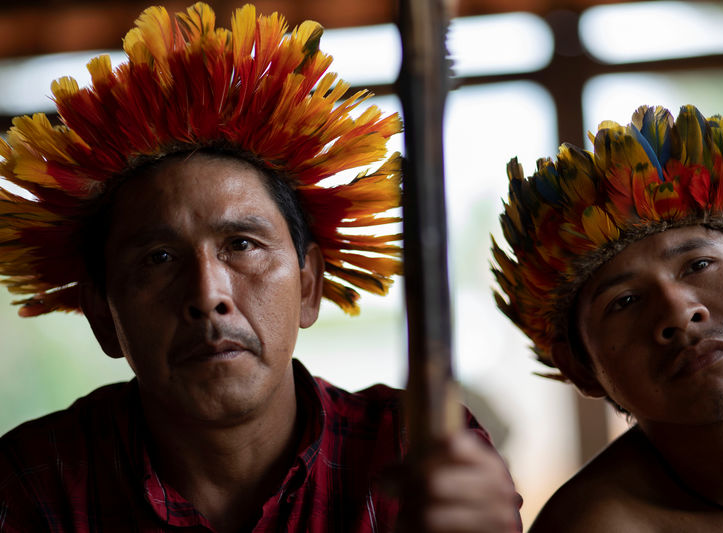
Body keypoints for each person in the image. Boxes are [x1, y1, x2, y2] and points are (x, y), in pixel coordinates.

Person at [0, 3, 521, 532]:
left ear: (308, 285)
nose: (208, 294)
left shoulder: (413, 450)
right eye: (159, 259)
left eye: (242, 245)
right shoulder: (35, 483)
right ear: (102, 315)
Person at [492, 104, 723, 531]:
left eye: (699, 265)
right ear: (580, 367)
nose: (678, 312)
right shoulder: (595, 525)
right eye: (625, 301)